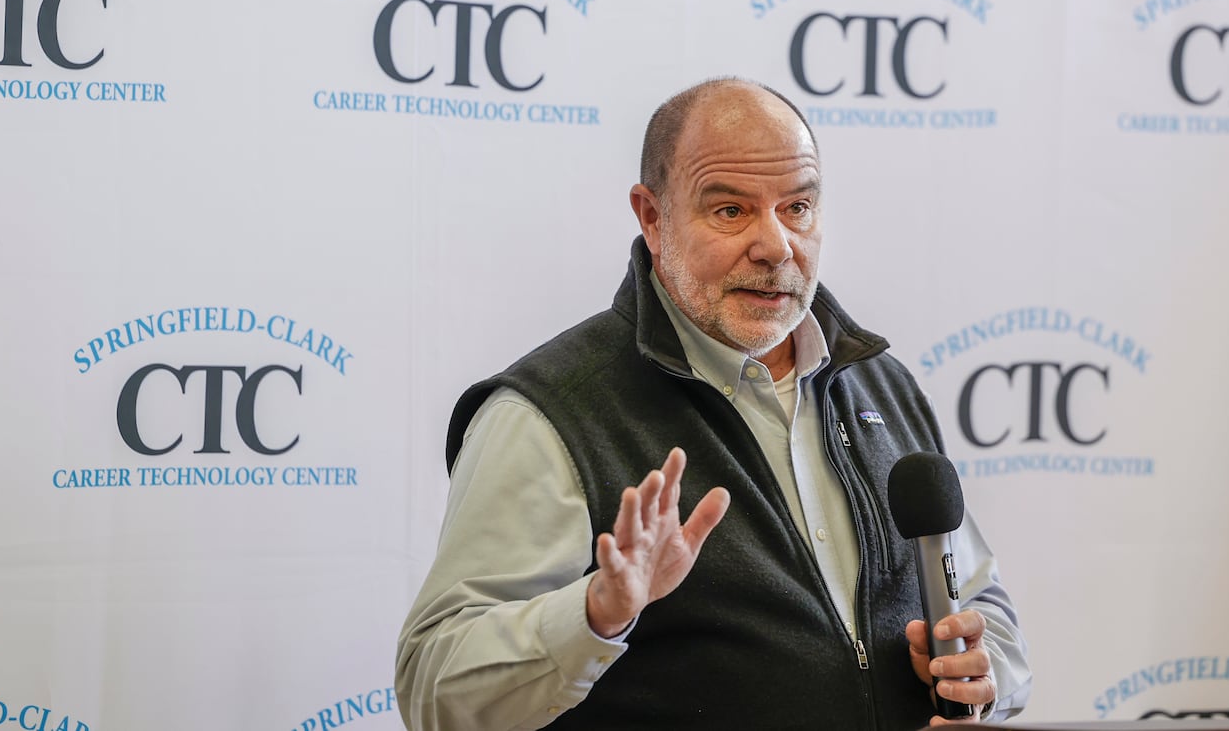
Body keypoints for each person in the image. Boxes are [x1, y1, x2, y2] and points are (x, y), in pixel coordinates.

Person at [396, 78, 1031, 729]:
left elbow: (981, 602)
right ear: (652, 217)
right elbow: (433, 688)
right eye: (730, 210)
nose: (775, 245)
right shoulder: (549, 414)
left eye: (797, 207)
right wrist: (594, 614)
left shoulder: (882, 385)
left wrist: (984, 674)